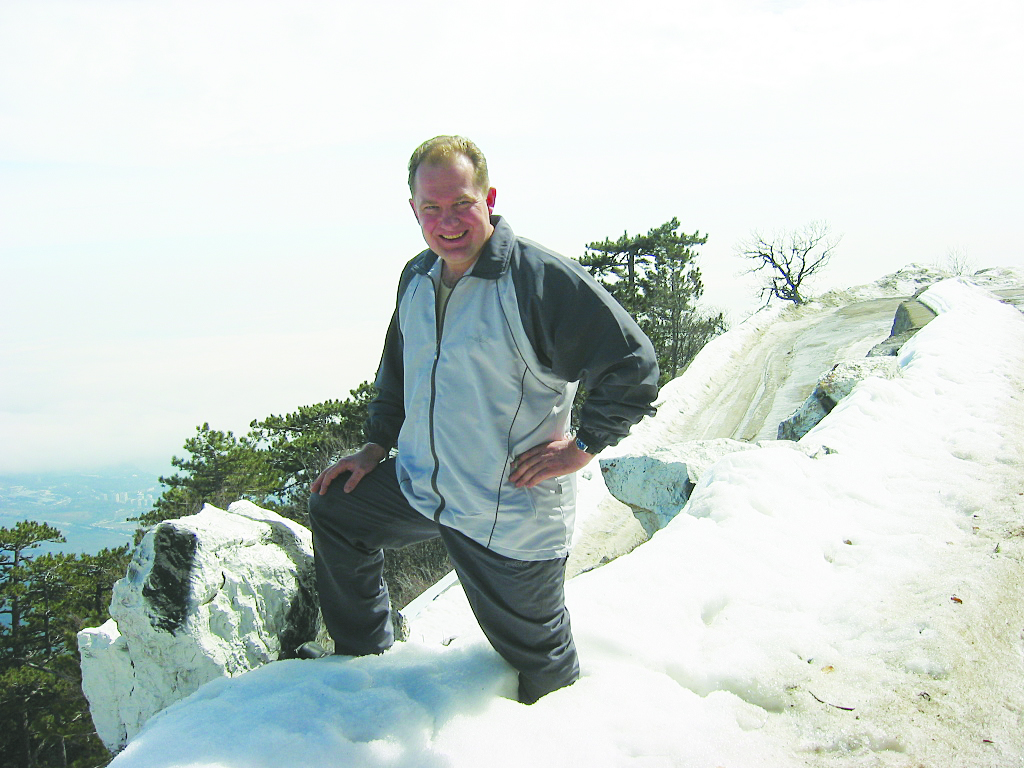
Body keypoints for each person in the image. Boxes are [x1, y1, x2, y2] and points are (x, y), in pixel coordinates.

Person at [308, 135, 659, 704]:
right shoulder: (418, 276)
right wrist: (374, 447)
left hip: (507, 508)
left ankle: (568, 734)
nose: (447, 222)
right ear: (414, 210)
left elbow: (632, 364)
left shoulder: (535, 280)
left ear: (489, 199)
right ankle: (363, 667)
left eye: (461, 204)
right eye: (432, 208)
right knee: (337, 507)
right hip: (423, 485)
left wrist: (582, 447)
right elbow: (399, 368)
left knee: (542, 670)